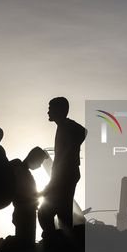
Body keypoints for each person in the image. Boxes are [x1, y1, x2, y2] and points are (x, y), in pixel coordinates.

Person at [38, 97, 86, 237]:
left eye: (50, 108)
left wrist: (70, 151)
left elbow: (82, 131)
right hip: (65, 174)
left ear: (59, 110)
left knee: (46, 211)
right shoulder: (64, 126)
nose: (48, 111)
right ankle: (62, 240)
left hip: (65, 174)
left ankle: (55, 239)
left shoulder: (68, 126)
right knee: (62, 210)